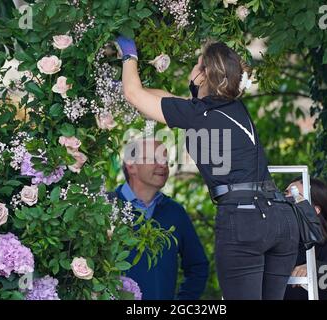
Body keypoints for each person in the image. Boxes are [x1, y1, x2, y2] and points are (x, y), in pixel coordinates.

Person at [116, 36, 304, 300]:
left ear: (203, 76)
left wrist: (128, 54)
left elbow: (134, 95)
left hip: (245, 219)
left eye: (196, 66)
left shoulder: (198, 114)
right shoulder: (232, 108)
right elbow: (166, 100)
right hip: (280, 218)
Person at [110, 138, 209, 300]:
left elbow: (198, 267)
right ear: (131, 165)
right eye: (154, 159)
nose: (163, 165)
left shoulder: (175, 213)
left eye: (165, 160)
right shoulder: (104, 207)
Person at [284, 177, 327, 300]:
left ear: (315, 210)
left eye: (295, 195)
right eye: (285, 194)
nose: (286, 200)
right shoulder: (277, 242)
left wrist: (313, 267)